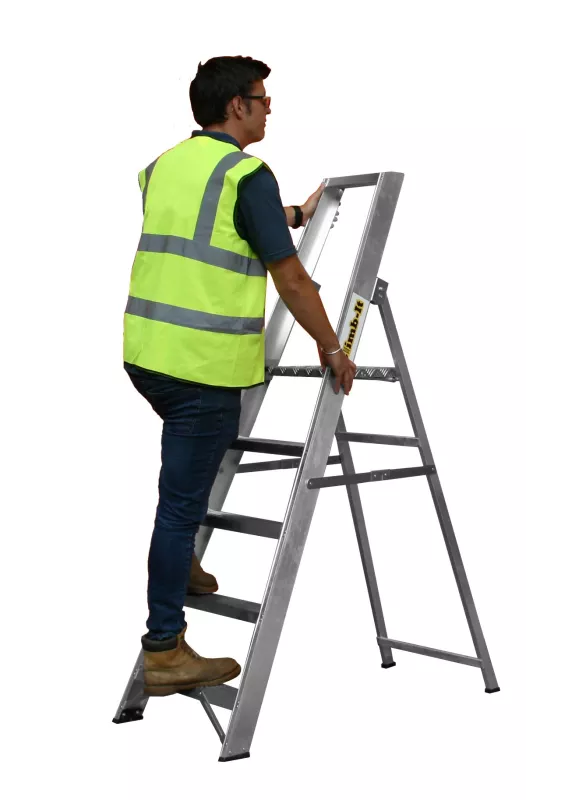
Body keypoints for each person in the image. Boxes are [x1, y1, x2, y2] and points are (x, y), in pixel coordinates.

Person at [123, 55, 356, 697]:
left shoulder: (167, 165)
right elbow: (292, 279)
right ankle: (165, 649)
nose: (269, 106)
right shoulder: (246, 172)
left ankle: (182, 566)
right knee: (177, 508)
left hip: (149, 352)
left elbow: (213, 223)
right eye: (262, 97)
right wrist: (333, 348)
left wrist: (292, 214)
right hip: (201, 365)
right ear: (236, 107)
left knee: (185, 489)